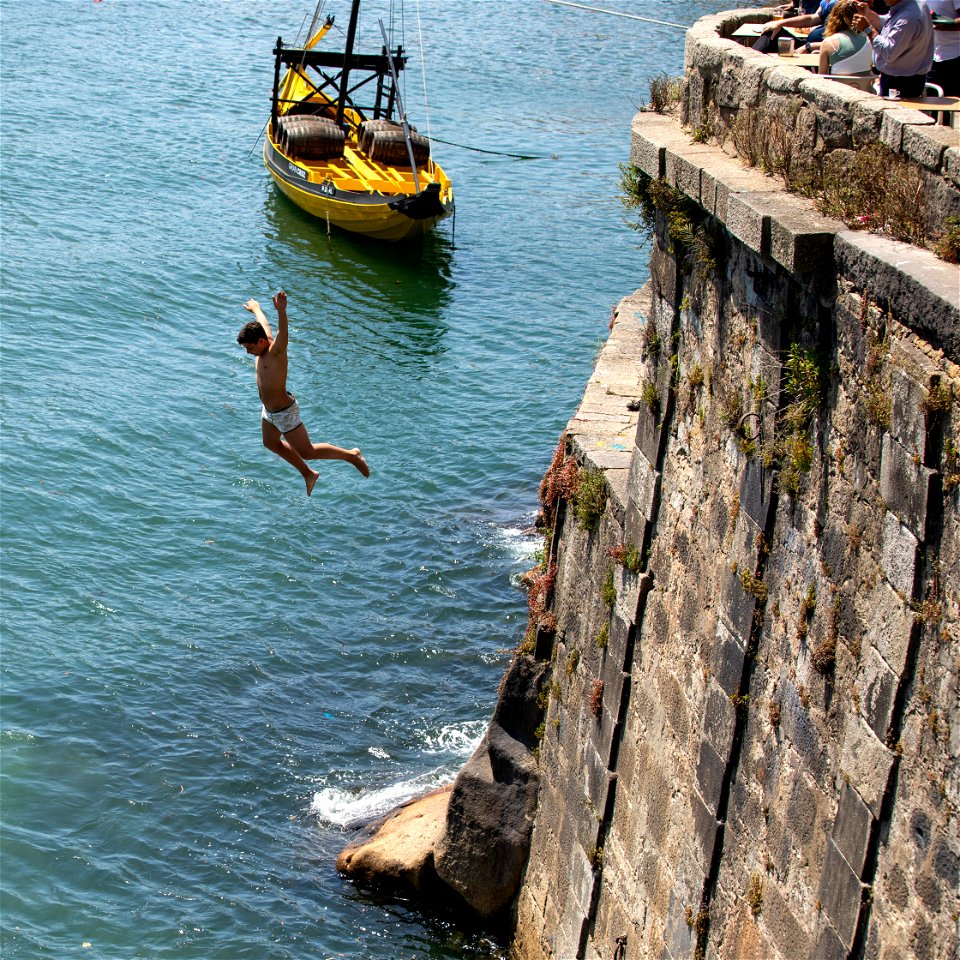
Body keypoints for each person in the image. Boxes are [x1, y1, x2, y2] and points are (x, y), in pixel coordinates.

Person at [237, 291, 370, 495]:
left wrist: (282, 311)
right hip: (269, 411)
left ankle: (352, 455)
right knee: (270, 442)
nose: (248, 352)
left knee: (308, 451)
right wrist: (256, 309)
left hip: (284, 412)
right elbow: (265, 324)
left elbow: (282, 332)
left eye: (250, 347)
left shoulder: (276, 352)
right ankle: (308, 474)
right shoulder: (263, 342)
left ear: (262, 342)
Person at [853, 0, 935, 97]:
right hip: (903, 80)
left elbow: (889, 52)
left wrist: (868, 29)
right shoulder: (912, 6)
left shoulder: (908, 17)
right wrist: (869, 15)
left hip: (901, 83)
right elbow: (891, 25)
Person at [754, 0, 839, 53]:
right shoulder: (828, 3)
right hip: (806, 45)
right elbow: (813, 18)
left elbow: (847, 41)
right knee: (772, 32)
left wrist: (809, 47)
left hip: (817, 51)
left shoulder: (846, 6)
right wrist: (779, 23)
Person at [818, 0, 875, 73]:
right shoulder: (870, 40)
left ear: (834, 18)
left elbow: (821, 77)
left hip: (837, 84)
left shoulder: (827, 43)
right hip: (865, 84)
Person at [927, 0, 960, 95]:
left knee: (953, 101)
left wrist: (946, 25)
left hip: (954, 56)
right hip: (929, 57)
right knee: (930, 101)